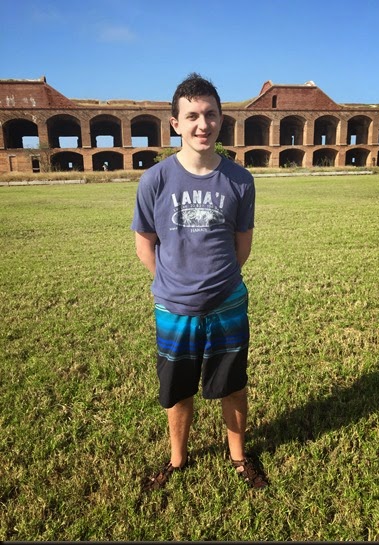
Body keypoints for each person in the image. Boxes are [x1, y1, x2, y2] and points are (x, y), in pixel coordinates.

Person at [131, 73, 267, 490]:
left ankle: (239, 456)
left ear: (222, 119)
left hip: (227, 303)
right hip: (174, 309)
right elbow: (144, 245)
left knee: (233, 384)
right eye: (191, 116)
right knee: (177, 389)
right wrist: (174, 285)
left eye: (210, 114)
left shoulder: (240, 180)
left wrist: (217, 283)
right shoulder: (155, 180)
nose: (202, 124)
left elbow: (241, 247)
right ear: (175, 123)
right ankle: (177, 459)